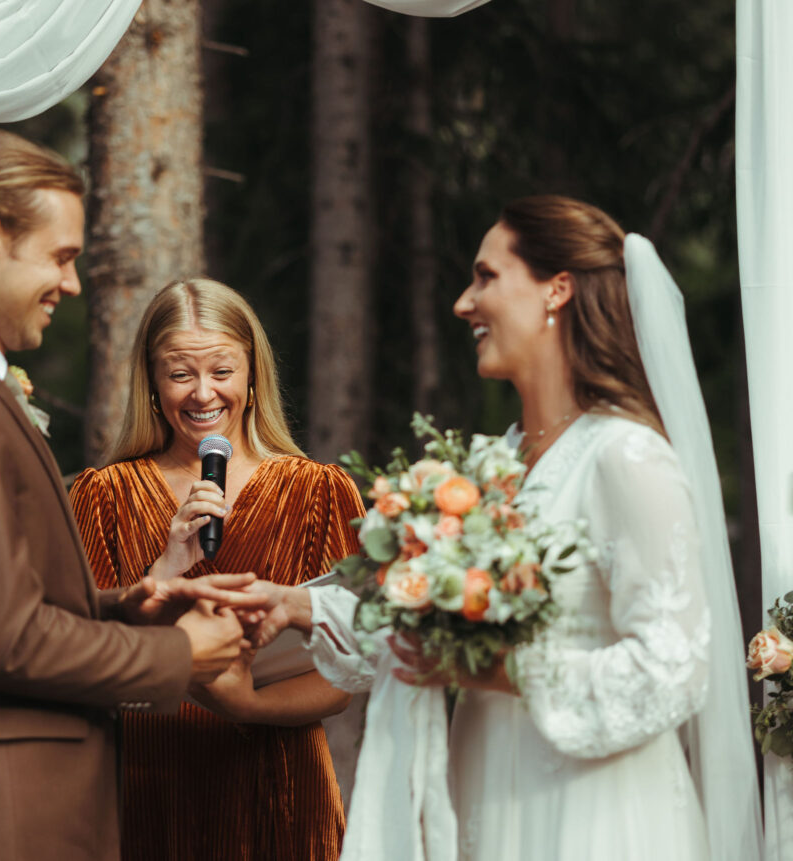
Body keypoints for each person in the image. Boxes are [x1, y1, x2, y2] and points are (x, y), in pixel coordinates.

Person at [250, 196, 762, 861]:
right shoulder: (491, 467)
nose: (464, 303)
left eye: (486, 276)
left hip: (594, 815)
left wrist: (507, 668)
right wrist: (295, 604)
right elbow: (421, 626)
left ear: (557, 289)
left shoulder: (627, 457)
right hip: (488, 795)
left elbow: (675, 669)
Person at [0, 129, 264, 861]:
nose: (72, 285)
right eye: (61, 257)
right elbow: (4, 642)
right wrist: (177, 654)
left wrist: (130, 606)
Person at [69, 278, 364, 860]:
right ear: (152, 384)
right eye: (180, 374)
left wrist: (247, 704)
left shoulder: (318, 490)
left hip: (280, 790)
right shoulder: (102, 495)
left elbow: (345, 672)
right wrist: (168, 564)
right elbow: (80, 660)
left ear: (253, 377)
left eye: (222, 371)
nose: (203, 393)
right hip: (149, 791)